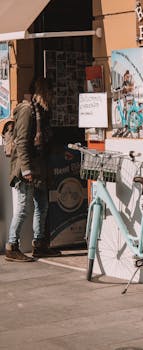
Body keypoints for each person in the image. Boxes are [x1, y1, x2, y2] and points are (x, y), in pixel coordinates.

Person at [5, 77, 61, 262]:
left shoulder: (41, 113)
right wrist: (27, 170)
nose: (52, 96)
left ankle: (40, 245)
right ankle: (12, 246)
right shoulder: (27, 110)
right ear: (43, 92)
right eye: (50, 92)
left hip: (39, 167)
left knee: (42, 205)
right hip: (26, 168)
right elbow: (21, 142)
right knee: (22, 207)